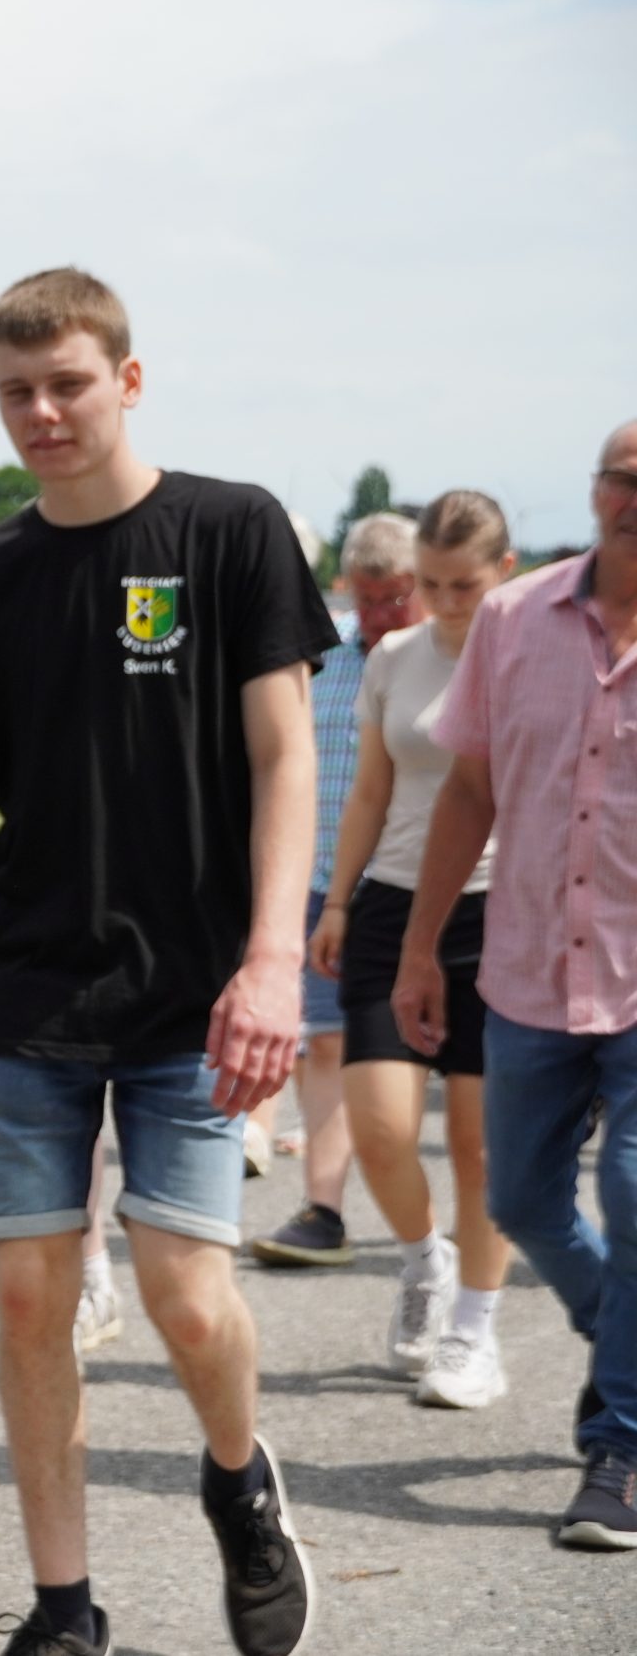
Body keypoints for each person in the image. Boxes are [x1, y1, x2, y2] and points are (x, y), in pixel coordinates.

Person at [0, 267, 333, 1656]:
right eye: (15, 390)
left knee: (187, 1298)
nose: (42, 411)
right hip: (31, 989)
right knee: (28, 1294)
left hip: (198, 990)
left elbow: (285, 758)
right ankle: (64, 1607)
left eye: (67, 382)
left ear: (126, 380)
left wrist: (271, 963)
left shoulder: (230, 531)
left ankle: (239, 1480)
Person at [392, 418, 637, 1550]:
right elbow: (466, 794)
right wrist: (417, 947)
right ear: (594, 490)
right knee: (521, 1201)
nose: (636, 500)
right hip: (529, 966)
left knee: (633, 1191)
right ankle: (624, 1336)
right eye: (623, 478)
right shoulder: (512, 617)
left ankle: (618, 1449)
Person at [309, 492, 515, 1406]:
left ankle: (473, 1332)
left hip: (499, 909)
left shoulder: (529, 655)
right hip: (391, 903)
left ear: (504, 572)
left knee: (479, 1143)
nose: (445, 603)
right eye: (430, 584)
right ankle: (425, 1258)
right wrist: (337, 901)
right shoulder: (394, 657)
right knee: (383, 1126)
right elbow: (369, 792)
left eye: (464, 585)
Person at [248, 513, 421, 1269]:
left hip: (426, 888)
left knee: (447, 1069)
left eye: (397, 598)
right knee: (325, 1044)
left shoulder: (451, 659)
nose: (380, 616)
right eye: (369, 598)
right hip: (327, 885)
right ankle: (324, 1210)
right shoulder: (321, 657)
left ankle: (457, 1231)